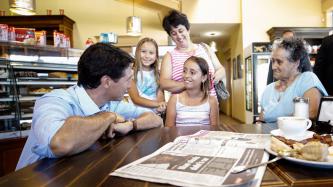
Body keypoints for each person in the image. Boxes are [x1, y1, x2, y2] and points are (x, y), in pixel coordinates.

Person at [16, 43, 163, 170]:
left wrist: (131, 125)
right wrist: (108, 116)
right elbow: (61, 143)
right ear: (106, 82)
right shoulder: (54, 101)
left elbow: (156, 119)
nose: (131, 85)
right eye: (128, 79)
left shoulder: (110, 103)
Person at [260, 38, 328, 123]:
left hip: (296, 135)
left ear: (296, 62)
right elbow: (261, 121)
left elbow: (312, 113)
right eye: (273, 61)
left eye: (279, 62)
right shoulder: (268, 89)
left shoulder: (307, 79)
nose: (273, 67)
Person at [160, 10, 226, 96]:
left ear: (188, 30)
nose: (179, 36)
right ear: (171, 36)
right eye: (174, 33)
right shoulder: (169, 56)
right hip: (182, 107)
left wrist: (215, 78)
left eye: (181, 31)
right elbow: (164, 83)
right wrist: (190, 83)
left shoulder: (205, 48)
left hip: (210, 104)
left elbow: (221, 69)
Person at [165, 56, 219, 126]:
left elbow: (214, 131)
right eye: (184, 71)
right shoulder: (174, 99)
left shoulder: (212, 101)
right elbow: (169, 130)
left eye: (192, 72)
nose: (186, 75)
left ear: (203, 78)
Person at [128, 37, 167, 113]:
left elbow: (160, 98)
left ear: (156, 56)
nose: (147, 56)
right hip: (136, 116)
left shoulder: (158, 74)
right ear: (137, 53)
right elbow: (136, 99)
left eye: (151, 53)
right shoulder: (130, 73)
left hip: (156, 116)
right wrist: (158, 104)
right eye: (143, 51)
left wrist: (161, 106)